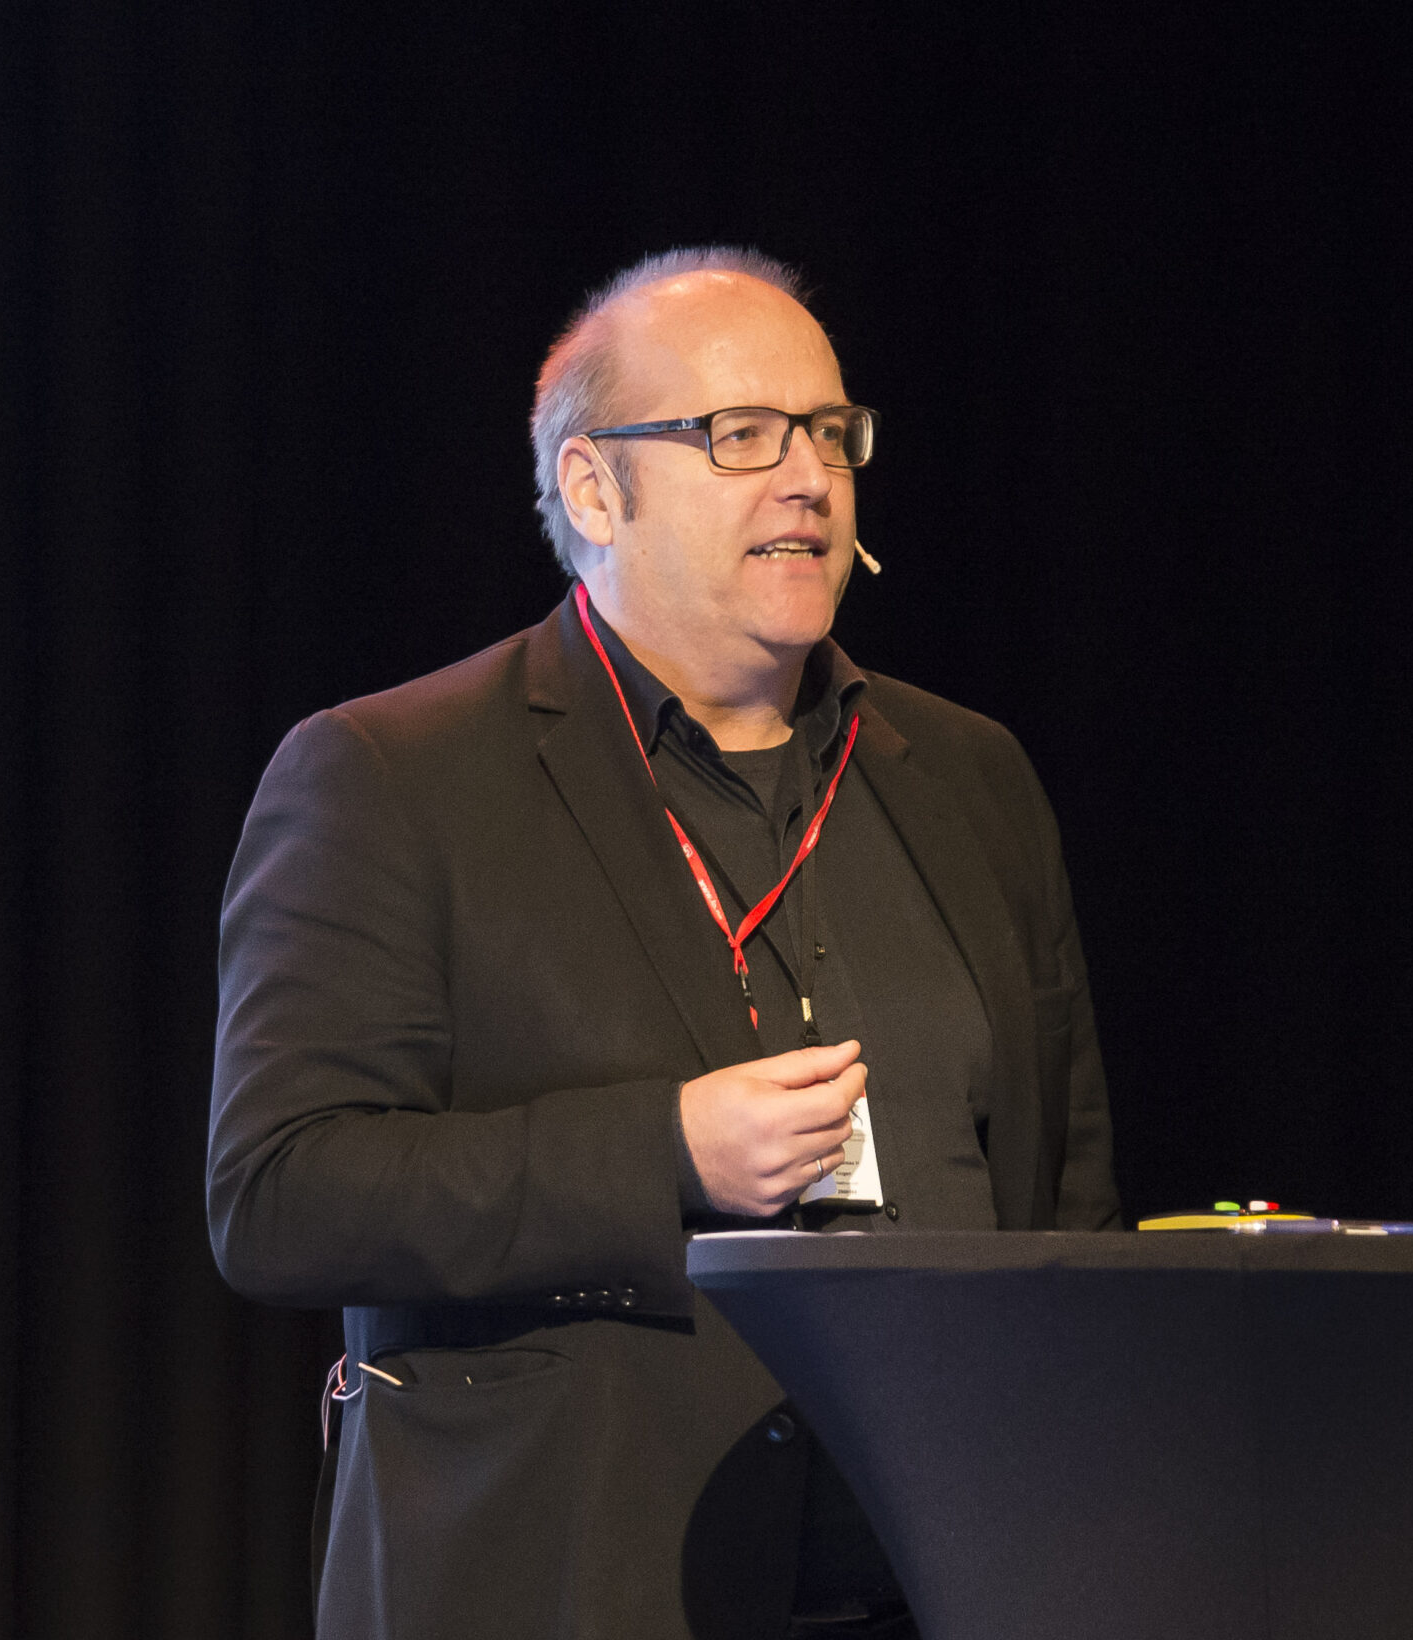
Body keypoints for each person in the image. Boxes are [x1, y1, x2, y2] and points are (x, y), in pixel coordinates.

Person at [206, 247, 1119, 1640]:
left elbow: (1065, 1202)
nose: (807, 478)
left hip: (942, 1586)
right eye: (738, 436)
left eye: (831, 435)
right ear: (593, 488)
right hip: (569, 1584)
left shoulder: (969, 776)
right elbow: (284, 1192)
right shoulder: (395, 777)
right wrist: (663, 1156)